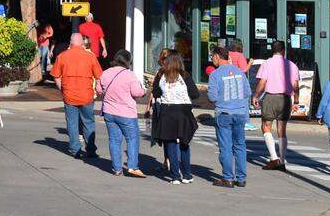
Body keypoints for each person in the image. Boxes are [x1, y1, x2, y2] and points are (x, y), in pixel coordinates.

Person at [51, 32, 103, 159]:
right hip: (87, 96)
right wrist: (97, 90)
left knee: (72, 123)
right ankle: (91, 150)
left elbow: (56, 76)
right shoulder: (90, 57)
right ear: (82, 43)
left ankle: (75, 150)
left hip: (69, 95)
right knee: (88, 122)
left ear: (70, 42)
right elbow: (99, 76)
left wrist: (62, 89)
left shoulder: (62, 56)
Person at [96, 49, 147, 177]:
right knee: (132, 139)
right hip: (126, 113)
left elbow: (99, 90)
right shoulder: (130, 75)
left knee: (114, 140)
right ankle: (132, 166)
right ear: (128, 61)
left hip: (109, 112)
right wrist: (144, 91)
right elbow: (136, 92)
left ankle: (117, 169)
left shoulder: (105, 73)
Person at [151, 52, 199, 184]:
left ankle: (175, 176)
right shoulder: (184, 75)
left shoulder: (161, 75)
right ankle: (187, 175)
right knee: (184, 143)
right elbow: (195, 94)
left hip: (167, 111)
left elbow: (155, 93)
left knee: (170, 144)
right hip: (184, 111)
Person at [207, 45, 251, 187]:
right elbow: (247, 92)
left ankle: (228, 178)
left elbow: (212, 97)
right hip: (240, 113)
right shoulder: (240, 72)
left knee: (226, 147)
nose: (212, 60)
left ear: (217, 56)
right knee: (240, 146)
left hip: (224, 113)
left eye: (212, 57)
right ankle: (241, 178)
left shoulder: (215, 74)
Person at [252, 40, 299, 171]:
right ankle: (282, 161)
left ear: (272, 50)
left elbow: (262, 82)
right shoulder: (291, 65)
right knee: (282, 130)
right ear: (283, 51)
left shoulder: (267, 63)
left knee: (266, 126)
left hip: (271, 97)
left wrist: (255, 96)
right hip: (285, 98)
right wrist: (296, 101)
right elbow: (296, 86)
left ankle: (274, 158)